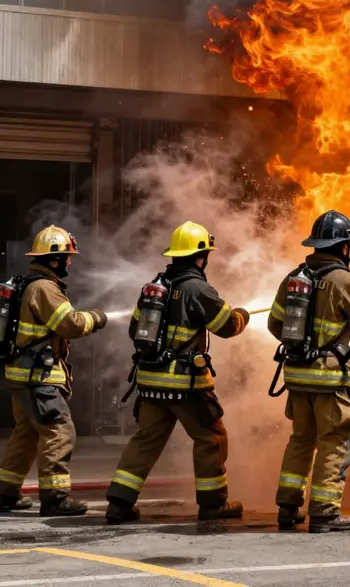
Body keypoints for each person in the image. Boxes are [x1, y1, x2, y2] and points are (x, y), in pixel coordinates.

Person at [105, 221, 249, 524]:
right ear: (200, 258)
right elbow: (227, 326)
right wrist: (242, 316)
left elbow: (135, 329)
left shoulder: (153, 288)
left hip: (149, 382)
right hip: (185, 384)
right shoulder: (198, 288)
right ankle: (213, 505)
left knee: (146, 440)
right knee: (211, 437)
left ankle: (119, 503)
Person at [268, 210, 350, 534]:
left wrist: (304, 346)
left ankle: (288, 507)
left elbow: (274, 323)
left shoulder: (295, 278)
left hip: (297, 379)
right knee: (334, 442)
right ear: (344, 247)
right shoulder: (343, 281)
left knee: (301, 440)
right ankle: (323, 512)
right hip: (330, 382)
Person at [0, 226, 107, 516]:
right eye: (66, 257)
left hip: (22, 375)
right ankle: (55, 498)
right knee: (59, 431)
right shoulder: (45, 288)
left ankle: (5, 493)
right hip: (39, 378)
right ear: (55, 259)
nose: (70, 262)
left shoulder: (26, 283)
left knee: (26, 435)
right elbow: (69, 324)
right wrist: (95, 319)